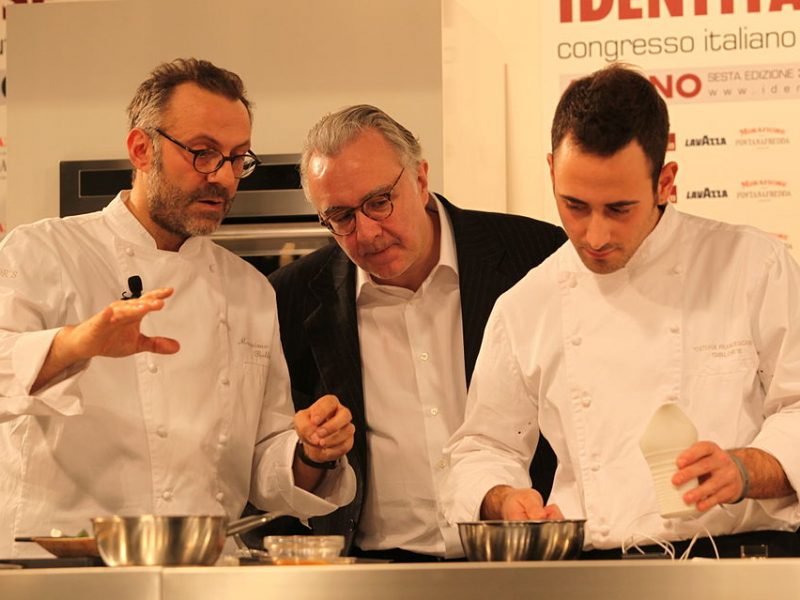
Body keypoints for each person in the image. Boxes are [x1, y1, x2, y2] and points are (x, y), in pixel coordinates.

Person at [0, 58, 356, 559]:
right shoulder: (41, 251)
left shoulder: (249, 289)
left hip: (201, 569)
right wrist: (75, 344)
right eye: (204, 153)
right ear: (141, 149)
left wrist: (309, 451)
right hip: (63, 571)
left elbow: (261, 464)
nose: (225, 179)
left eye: (238, 159)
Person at [444, 63, 800, 559]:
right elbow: (484, 446)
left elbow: (797, 404)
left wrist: (746, 469)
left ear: (665, 181)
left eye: (618, 209)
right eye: (574, 205)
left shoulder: (752, 265)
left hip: (741, 560)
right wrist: (501, 498)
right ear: (551, 170)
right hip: (595, 567)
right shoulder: (527, 305)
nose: (595, 236)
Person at [260, 105, 566, 561]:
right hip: (374, 571)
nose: (366, 232)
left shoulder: (537, 258)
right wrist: (310, 451)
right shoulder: (292, 299)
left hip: (526, 558)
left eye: (379, 202)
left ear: (421, 179)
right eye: (341, 217)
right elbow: (278, 471)